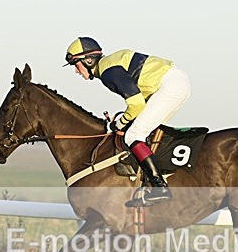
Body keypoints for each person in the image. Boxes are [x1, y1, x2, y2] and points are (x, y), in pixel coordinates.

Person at [64, 37, 191, 205]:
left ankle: (160, 187)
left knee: (133, 136)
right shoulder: (109, 65)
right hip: (174, 82)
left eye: (76, 65)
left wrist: (119, 123)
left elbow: (136, 104)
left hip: (170, 86)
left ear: (88, 60)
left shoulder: (108, 72)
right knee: (141, 131)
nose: (76, 71)